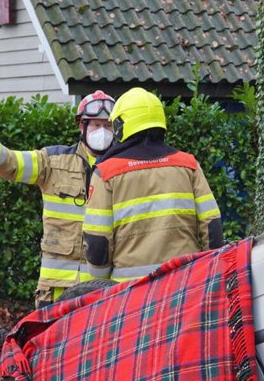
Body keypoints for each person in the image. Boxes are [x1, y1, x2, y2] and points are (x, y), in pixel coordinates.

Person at [0, 91, 115, 307]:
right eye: (96, 125)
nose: (102, 132)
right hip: (57, 290)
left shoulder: (123, 169)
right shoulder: (52, 161)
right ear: (82, 127)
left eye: (108, 125)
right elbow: (11, 163)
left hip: (105, 291)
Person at [83, 88, 221, 282]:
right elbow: (212, 225)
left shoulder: (106, 173)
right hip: (185, 283)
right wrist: (210, 272)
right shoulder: (188, 164)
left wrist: (100, 282)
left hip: (129, 292)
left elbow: (98, 241)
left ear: (121, 125)